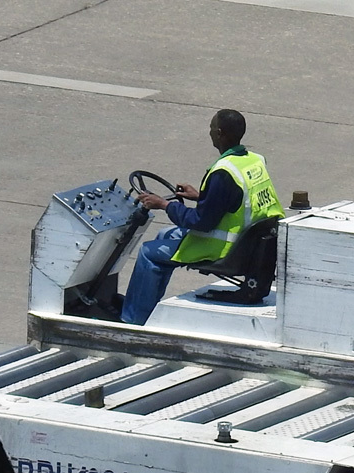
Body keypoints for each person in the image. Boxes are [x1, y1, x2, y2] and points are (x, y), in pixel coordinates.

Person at [119, 109, 286, 325]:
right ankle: (150, 306)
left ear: (219, 133)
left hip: (225, 249)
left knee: (149, 253)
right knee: (164, 233)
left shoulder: (222, 172)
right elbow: (242, 200)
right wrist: (201, 196)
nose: (209, 133)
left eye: (210, 128)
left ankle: (133, 320)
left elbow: (201, 222)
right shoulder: (253, 161)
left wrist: (164, 204)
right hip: (249, 244)